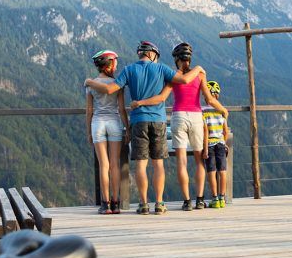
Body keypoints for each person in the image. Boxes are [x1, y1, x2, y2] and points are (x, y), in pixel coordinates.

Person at [84, 40, 204, 215]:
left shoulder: (128, 70)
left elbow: (110, 89)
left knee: (141, 165)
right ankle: (160, 203)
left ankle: (143, 204)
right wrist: (199, 68)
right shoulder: (161, 68)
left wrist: (89, 82)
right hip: (158, 120)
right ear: (152, 54)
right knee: (158, 164)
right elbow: (185, 79)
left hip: (138, 120)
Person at [131, 42, 228, 211]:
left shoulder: (173, 76)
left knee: (181, 162)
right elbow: (210, 100)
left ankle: (187, 201)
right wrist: (224, 111)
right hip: (197, 117)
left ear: (176, 59)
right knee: (199, 161)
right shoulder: (199, 75)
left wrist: (140, 103)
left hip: (179, 117)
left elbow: (162, 97)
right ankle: (199, 199)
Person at [85, 50, 129, 214]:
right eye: (115, 62)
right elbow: (122, 109)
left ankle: (105, 204)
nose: (117, 65)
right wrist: (128, 128)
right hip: (114, 123)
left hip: (97, 123)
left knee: (104, 165)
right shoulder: (117, 84)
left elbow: (89, 110)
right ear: (109, 64)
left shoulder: (90, 84)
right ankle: (116, 203)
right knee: (114, 165)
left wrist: (88, 131)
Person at [202, 80, 230, 208]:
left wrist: (205, 149)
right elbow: (225, 130)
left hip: (209, 144)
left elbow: (205, 131)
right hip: (220, 143)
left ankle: (214, 199)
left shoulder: (203, 110)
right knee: (222, 170)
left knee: (211, 171)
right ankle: (222, 198)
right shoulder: (222, 110)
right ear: (217, 94)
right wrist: (224, 142)